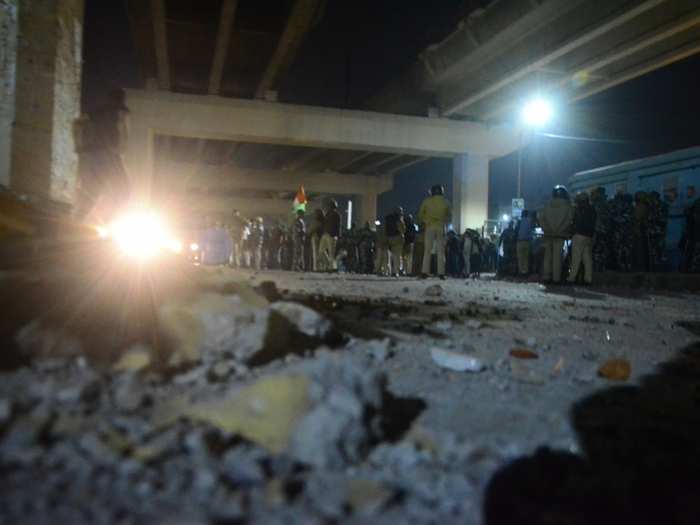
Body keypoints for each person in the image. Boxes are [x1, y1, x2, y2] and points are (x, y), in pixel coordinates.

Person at [538, 185, 573, 284]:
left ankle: (546, 277)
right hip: (560, 235)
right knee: (557, 257)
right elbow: (569, 220)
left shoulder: (547, 205)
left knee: (547, 257)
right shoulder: (568, 206)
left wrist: (547, 229)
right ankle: (556, 278)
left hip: (548, 234)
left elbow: (541, 219)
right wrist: (560, 229)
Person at [417, 185, 450, 279]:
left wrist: (426, 220)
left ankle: (424, 272)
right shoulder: (446, 202)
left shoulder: (427, 201)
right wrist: (443, 221)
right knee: (441, 251)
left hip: (430, 226)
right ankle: (441, 273)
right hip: (441, 227)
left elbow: (420, 214)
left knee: (427, 250)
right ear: (442, 192)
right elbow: (449, 216)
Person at [567, 192, 597, 285]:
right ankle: (588, 279)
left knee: (576, 258)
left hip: (579, 235)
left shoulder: (579, 210)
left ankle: (571, 278)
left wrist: (571, 231)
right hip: (589, 236)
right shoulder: (592, 209)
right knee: (587, 259)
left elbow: (574, 223)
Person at [590, 187, 611, 273]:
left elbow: (594, 218)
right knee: (603, 251)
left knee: (597, 251)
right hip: (605, 231)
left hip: (598, 231)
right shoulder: (606, 203)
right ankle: (602, 269)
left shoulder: (597, 204)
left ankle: (598, 270)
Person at [319, 199, 341, 271]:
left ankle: (332, 267)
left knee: (331, 253)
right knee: (321, 251)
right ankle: (329, 265)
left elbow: (338, 226)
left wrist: (337, 236)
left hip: (332, 235)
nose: (329, 206)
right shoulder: (328, 214)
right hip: (326, 234)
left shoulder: (336, 215)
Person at [385, 207, 406, 277]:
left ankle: (390, 271)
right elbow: (402, 229)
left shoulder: (388, 219)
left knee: (391, 256)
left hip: (389, 238)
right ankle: (395, 271)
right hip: (397, 238)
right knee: (397, 256)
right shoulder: (399, 218)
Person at [515, 210, 534, 276]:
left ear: (522, 214)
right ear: (527, 214)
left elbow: (516, 231)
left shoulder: (519, 222)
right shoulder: (530, 221)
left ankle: (520, 272)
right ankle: (525, 272)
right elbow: (531, 231)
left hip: (520, 242)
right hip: (527, 242)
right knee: (526, 258)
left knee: (520, 258)